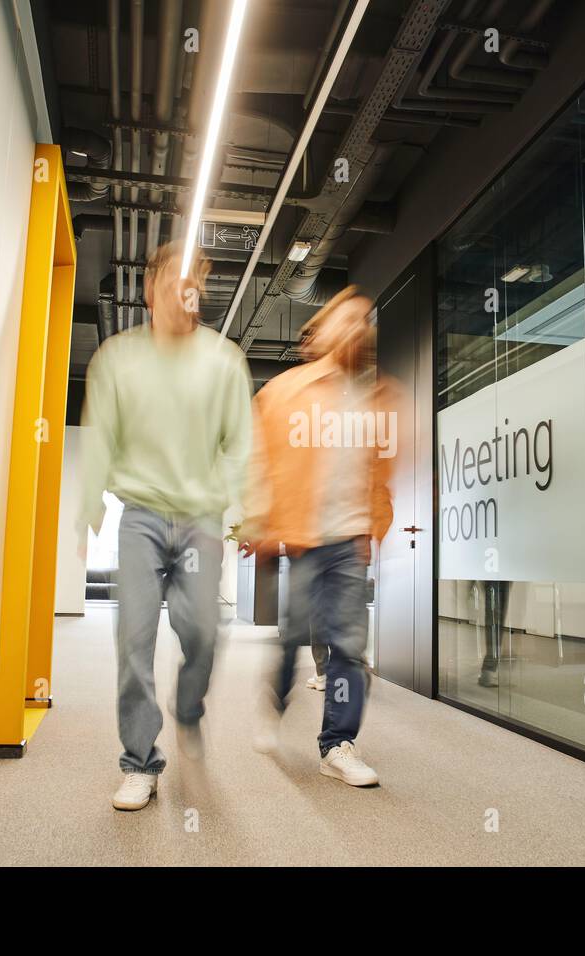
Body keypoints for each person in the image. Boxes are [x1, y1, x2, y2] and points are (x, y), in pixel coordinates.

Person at [80, 240, 252, 811]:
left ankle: (188, 712)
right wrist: (89, 503)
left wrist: (232, 507)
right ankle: (139, 762)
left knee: (204, 630)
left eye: (197, 279)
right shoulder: (116, 359)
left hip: (201, 520)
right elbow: (100, 435)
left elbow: (238, 445)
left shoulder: (225, 359)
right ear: (150, 289)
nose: (188, 289)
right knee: (133, 638)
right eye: (177, 278)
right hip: (142, 519)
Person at [242, 286, 397, 787]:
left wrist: (374, 527)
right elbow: (259, 460)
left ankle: (338, 745)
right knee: (292, 637)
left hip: (349, 540)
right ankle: (274, 705)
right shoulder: (288, 390)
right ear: (324, 330)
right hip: (305, 537)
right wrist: (259, 521)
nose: (357, 328)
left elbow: (381, 473)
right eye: (346, 320)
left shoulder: (379, 398)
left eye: (364, 320)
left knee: (349, 648)